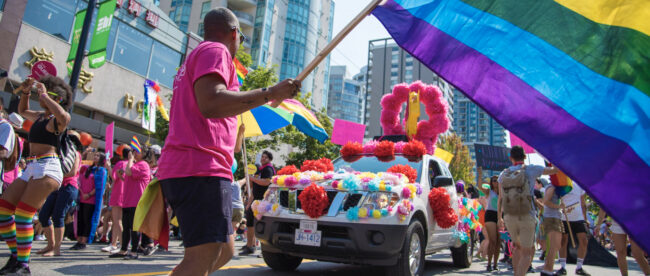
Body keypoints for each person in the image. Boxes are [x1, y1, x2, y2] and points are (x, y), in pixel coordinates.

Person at [156, 7, 300, 275]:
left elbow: (211, 116)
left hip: (202, 166)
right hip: (199, 167)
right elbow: (211, 103)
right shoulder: (215, 51)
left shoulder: (199, 56)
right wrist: (270, 92)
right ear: (235, 33)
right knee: (205, 253)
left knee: (224, 250)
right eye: (241, 40)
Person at [0, 76, 72, 274]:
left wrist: (45, 95)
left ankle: (23, 265)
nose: (40, 95)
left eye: (47, 92)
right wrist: (25, 91)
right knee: (4, 210)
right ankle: (17, 257)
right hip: (32, 167)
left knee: (23, 215)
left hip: (48, 168)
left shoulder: (58, 119)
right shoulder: (41, 116)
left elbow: (65, 116)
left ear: (56, 98)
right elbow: (22, 111)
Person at [498, 146, 558, 276]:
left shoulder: (504, 174)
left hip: (509, 215)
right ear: (525, 157)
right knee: (527, 252)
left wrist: (500, 217)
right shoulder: (532, 169)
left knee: (517, 248)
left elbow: (501, 198)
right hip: (527, 214)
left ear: (510, 158)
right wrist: (556, 158)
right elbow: (554, 171)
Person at [35, 131, 82, 256]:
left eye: (70, 138)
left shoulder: (76, 154)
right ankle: (50, 245)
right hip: (57, 187)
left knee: (58, 216)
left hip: (69, 187)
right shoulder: (60, 153)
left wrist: (55, 174)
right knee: (43, 215)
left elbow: (72, 173)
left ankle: (56, 249)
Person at [110, 146, 153, 260]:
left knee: (135, 228)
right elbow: (129, 177)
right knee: (126, 227)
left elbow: (129, 172)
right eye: (134, 151)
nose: (134, 153)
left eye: (137, 151)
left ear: (144, 154)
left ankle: (134, 251)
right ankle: (123, 249)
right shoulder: (136, 165)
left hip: (137, 201)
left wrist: (130, 159)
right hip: (128, 200)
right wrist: (121, 175)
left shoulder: (143, 164)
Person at [70, 152, 107, 250]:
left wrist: (89, 194)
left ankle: (84, 241)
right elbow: (80, 180)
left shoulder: (102, 171)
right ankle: (78, 240)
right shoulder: (87, 168)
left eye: (98, 156)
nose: (95, 157)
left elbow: (99, 187)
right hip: (82, 198)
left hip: (91, 200)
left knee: (87, 220)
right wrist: (82, 193)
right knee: (80, 220)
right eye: (95, 155)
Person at [240, 150, 275, 256]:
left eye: (265, 157)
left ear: (269, 159)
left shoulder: (268, 169)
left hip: (264, 201)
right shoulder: (259, 170)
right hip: (256, 200)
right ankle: (250, 245)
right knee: (250, 222)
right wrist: (249, 202)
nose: (263, 158)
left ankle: (259, 247)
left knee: (261, 225)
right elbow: (253, 189)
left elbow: (266, 182)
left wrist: (252, 178)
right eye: (262, 157)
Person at [596, 211, 650, 276]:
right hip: (618, 221)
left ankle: (648, 274)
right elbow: (603, 208)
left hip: (635, 221)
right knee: (620, 252)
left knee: (637, 254)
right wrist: (598, 225)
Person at [557, 183, 591, 276]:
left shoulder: (579, 184)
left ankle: (579, 267)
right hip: (564, 217)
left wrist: (585, 218)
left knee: (584, 240)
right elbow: (557, 200)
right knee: (563, 241)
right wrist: (560, 209)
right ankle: (563, 267)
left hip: (579, 217)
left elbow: (582, 203)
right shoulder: (561, 183)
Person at [102, 146, 129, 253]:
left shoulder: (121, 164)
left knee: (117, 221)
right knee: (117, 221)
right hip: (126, 194)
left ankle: (122, 246)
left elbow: (114, 177)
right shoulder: (131, 164)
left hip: (118, 194)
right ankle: (113, 243)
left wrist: (108, 167)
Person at [477, 170, 501, 272]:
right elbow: (479, 186)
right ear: (491, 182)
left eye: (497, 180)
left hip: (500, 216)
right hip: (490, 214)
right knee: (493, 240)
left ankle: (495, 264)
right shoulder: (489, 192)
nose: (496, 182)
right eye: (494, 180)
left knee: (499, 242)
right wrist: (480, 174)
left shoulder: (503, 193)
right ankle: (489, 264)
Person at [540, 185, 565, 276]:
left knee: (557, 245)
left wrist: (563, 209)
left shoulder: (557, 188)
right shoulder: (552, 187)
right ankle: (547, 270)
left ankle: (547, 269)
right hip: (551, 218)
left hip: (556, 217)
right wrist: (559, 206)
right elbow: (545, 202)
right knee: (554, 245)